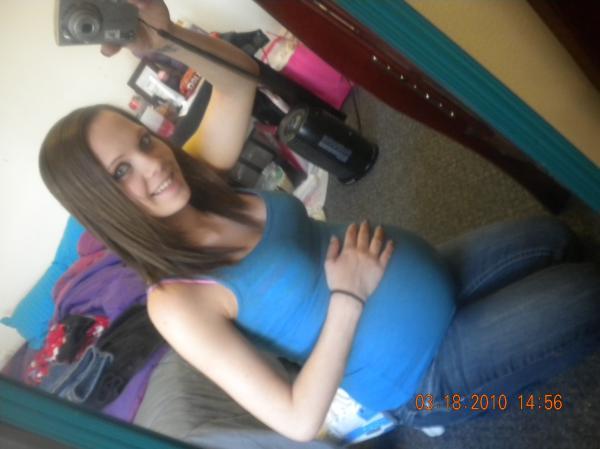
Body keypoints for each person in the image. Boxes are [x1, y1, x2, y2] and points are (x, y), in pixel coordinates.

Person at [39, 0, 600, 442]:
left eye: (143, 142)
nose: (153, 165)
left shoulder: (199, 181)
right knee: (588, 294)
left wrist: (164, 38)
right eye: (120, 172)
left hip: (436, 272)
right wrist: (348, 298)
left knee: (555, 239)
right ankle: (473, 404)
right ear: (104, 203)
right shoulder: (175, 302)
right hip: (424, 379)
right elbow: (297, 420)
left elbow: (238, 78)